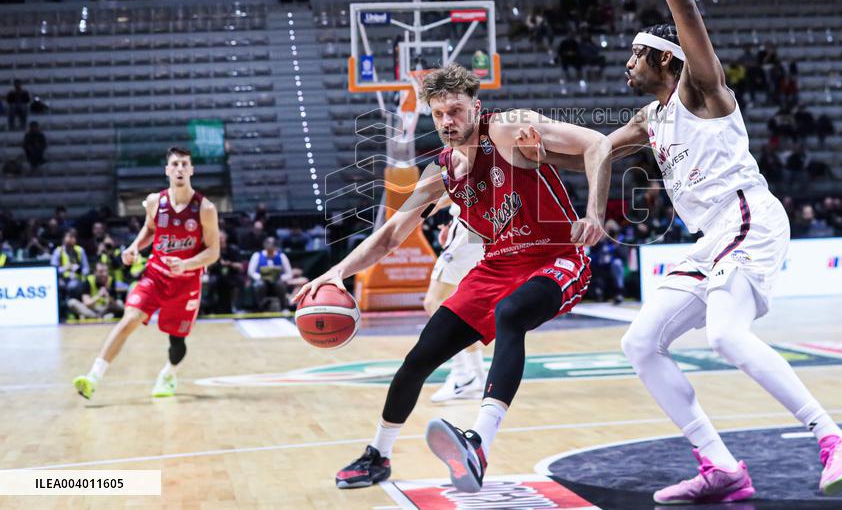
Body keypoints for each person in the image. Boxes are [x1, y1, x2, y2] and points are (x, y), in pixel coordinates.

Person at [526, 0, 842, 503]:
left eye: (636, 54)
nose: (626, 63)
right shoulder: (649, 117)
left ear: (666, 58)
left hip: (746, 218)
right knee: (640, 342)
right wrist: (534, 157)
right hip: (711, 237)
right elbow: (597, 150)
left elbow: (684, 6)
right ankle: (721, 466)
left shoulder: (700, 88)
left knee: (725, 335)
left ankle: (835, 438)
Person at [294, 63, 610, 493]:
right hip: (496, 267)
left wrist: (594, 214)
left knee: (511, 314)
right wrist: (337, 272)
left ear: (475, 108)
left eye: (456, 111)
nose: (447, 121)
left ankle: (479, 442)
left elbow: (597, 144)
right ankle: (378, 455)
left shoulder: (507, 128)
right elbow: (389, 236)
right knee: (419, 358)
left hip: (555, 257)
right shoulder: (441, 173)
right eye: (439, 113)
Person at [72, 146, 220, 400]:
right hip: (156, 275)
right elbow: (150, 230)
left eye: (184, 164)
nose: (180, 168)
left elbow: (213, 252)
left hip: (186, 282)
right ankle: (93, 377)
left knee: (176, 343)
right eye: (175, 164)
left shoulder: (205, 208)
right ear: (167, 170)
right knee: (130, 318)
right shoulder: (155, 202)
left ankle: (169, 373)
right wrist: (133, 246)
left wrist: (186, 264)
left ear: (192, 170)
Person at [425, 202, 487, 402]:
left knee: (435, 303)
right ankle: (476, 376)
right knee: (459, 311)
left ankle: (463, 376)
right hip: (474, 226)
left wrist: (428, 208)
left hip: (469, 228)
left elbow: (447, 192)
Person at [248, 236, 293, 312]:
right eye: (268, 244)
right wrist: (260, 277)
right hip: (261, 280)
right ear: (264, 245)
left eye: (272, 245)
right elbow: (251, 272)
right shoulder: (257, 255)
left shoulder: (281, 256)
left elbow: (289, 273)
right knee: (259, 285)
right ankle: (260, 308)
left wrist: (280, 277)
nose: (270, 247)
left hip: (277, 281)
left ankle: (284, 308)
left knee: (280, 284)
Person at [52, 228, 89, 312]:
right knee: (62, 286)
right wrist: (65, 268)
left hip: (77, 280)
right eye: (69, 237)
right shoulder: (58, 251)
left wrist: (78, 270)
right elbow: (53, 271)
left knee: (75, 286)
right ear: (63, 239)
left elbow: (86, 269)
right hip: (62, 281)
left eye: (73, 237)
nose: (71, 239)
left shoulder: (80, 250)